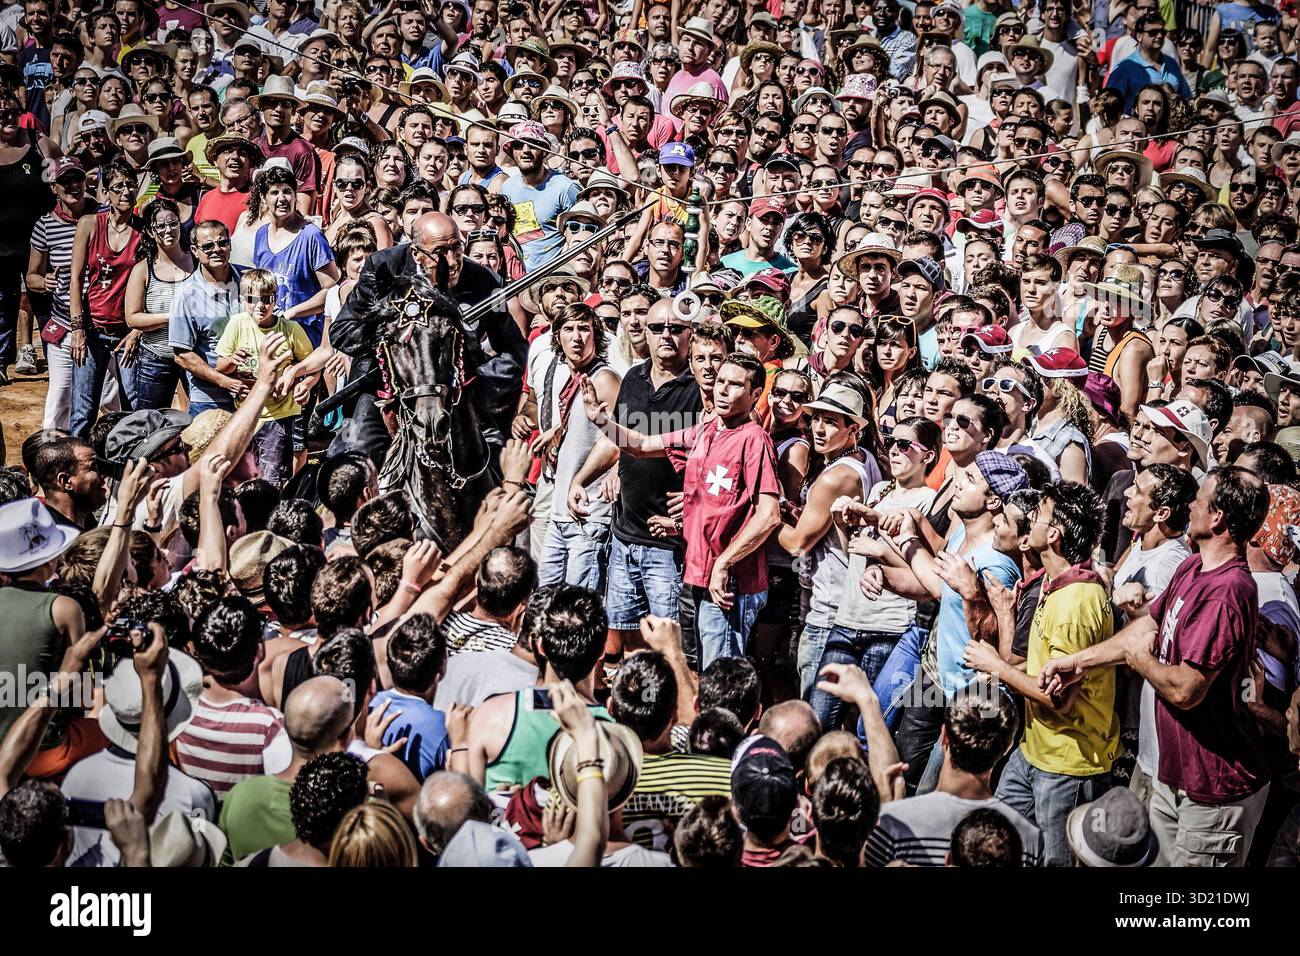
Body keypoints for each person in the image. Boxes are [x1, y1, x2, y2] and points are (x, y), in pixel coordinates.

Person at [1039, 466, 1272, 866]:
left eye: (1200, 499)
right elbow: (1146, 626)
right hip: (1176, 774)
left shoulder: (1226, 592)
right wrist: (1078, 661)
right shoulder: (1193, 568)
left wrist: (1139, 659)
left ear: (1217, 518)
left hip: (1214, 791)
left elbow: (1186, 688)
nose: (1191, 505)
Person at [579, 351, 781, 666]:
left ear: (756, 394)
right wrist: (601, 420)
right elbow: (642, 446)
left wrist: (724, 564)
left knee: (721, 677)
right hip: (701, 574)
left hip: (730, 584)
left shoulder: (754, 439)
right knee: (706, 673)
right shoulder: (707, 430)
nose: (723, 390)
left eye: (736, 385)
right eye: (721, 382)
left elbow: (769, 514)